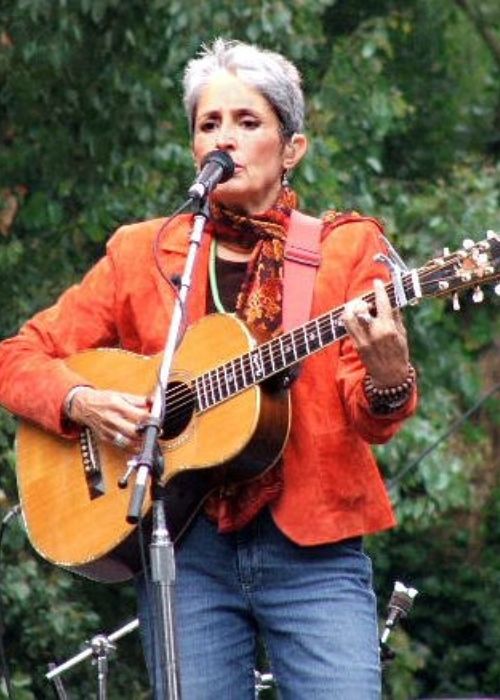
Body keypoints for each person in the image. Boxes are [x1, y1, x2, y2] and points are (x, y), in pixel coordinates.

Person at [0, 38, 417, 699]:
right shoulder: (144, 252)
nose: (225, 138)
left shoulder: (343, 248)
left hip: (313, 549)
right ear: (194, 148)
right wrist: (79, 400)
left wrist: (390, 373)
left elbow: (375, 416)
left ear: (291, 149)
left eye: (248, 122)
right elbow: (16, 357)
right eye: (209, 124)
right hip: (183, 547)